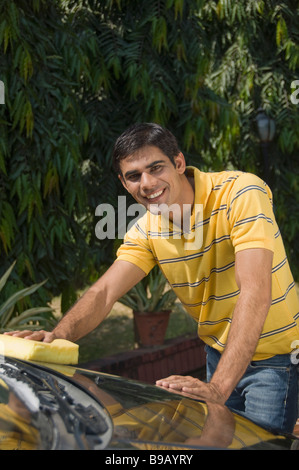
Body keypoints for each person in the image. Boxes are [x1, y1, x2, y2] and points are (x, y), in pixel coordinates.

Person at [6, 123, 299, 433]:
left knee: (261, 442)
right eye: (133, 176)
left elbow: (254, 289)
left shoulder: (241, 193)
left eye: (155, 168)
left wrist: (218, 388)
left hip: (274, 359)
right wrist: (57, 337)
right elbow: (105, 292)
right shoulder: (146, 231)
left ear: (179, 163)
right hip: (219, 353)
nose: (146, 183)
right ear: (123, 182)